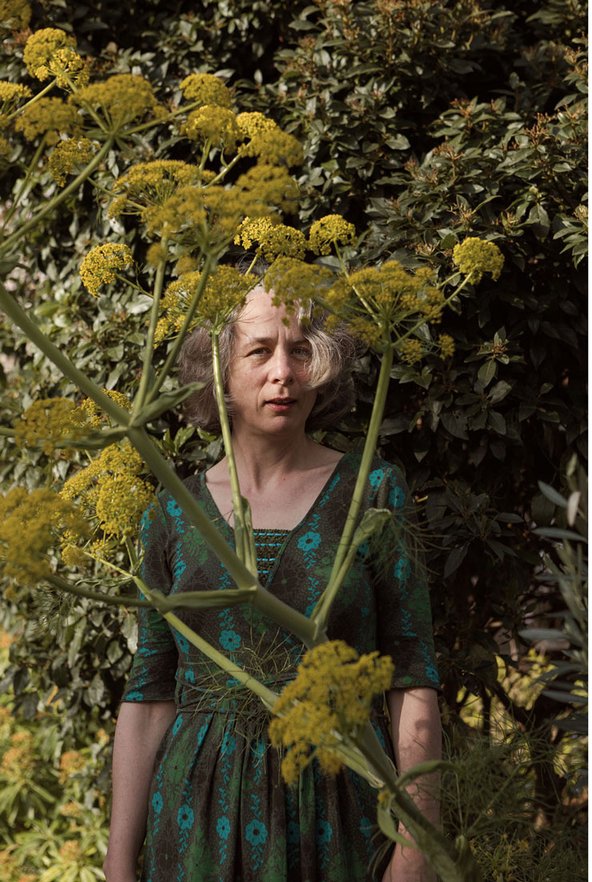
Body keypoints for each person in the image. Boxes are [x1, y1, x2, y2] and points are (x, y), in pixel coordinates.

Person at [103, 285, 442, 882]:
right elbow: (150, 693)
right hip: (194, 822)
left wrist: (415, 850)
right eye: (259, 351)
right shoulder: (171, 512)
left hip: (341, 814)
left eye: (302, 350)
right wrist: (118, 861)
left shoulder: (374, 493)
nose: (284, 372)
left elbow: (412, 674)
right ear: (219, 369)